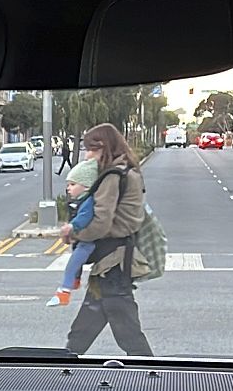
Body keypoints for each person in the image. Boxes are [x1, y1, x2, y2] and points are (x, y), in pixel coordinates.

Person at [61, 123, 153, 356]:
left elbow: (101, 221)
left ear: (103, 148)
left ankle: (151, 373)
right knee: (88, 319)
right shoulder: (128, 171)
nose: (87, 155)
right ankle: (68, 359)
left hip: (113, 261)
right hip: (113, 260)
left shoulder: (113, 175)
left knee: (126, 328)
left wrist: (74, 234)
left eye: (90, 149)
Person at [47, 159, 100, 307]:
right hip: (83, 240)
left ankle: (64, 291)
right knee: (76, 259)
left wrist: (71, 227)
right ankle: (74, 281)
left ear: (86, 186)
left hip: (88, 242)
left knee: (73, 262)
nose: (68, 188)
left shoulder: (88, 201)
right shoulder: (82, 200)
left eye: (73, 184)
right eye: (68, 185)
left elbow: (84, 217)